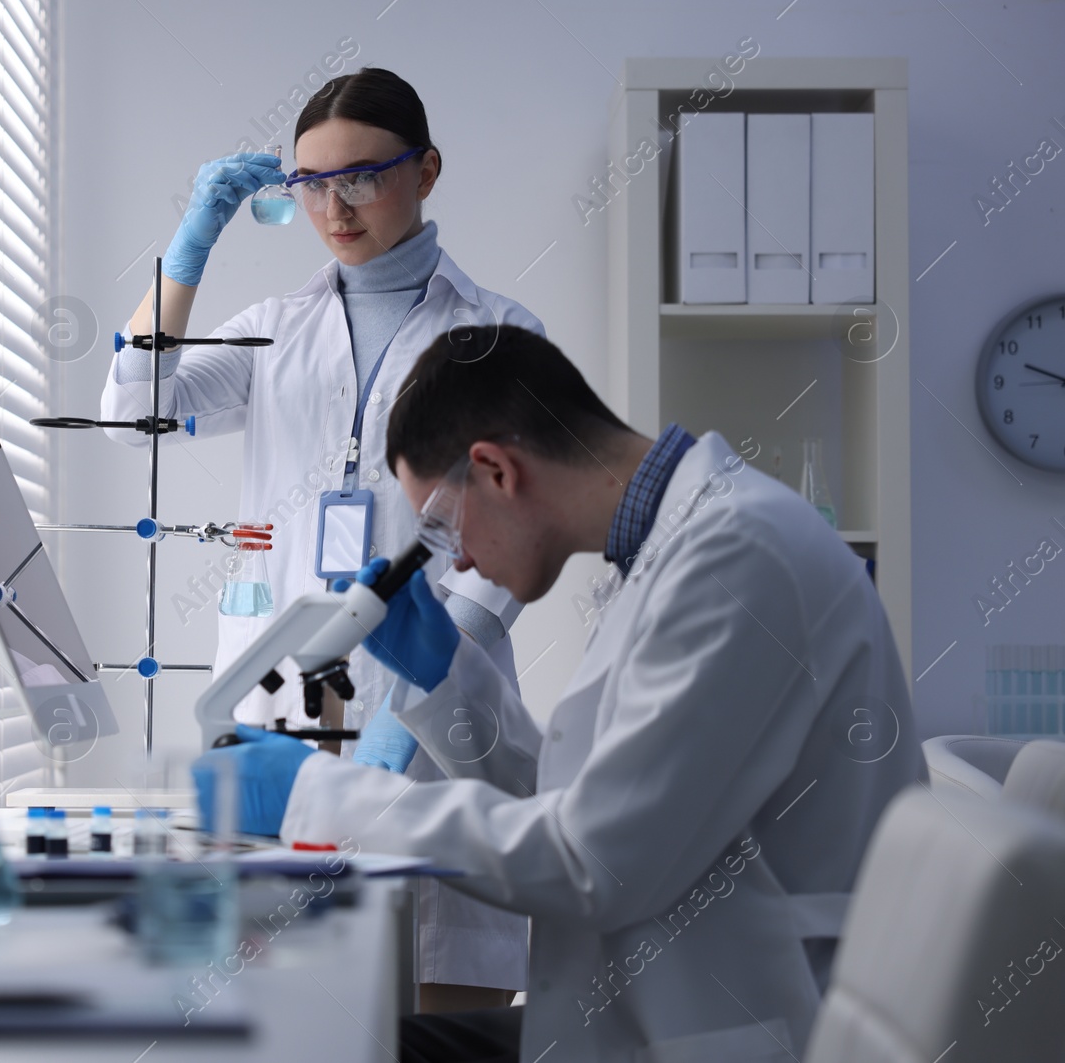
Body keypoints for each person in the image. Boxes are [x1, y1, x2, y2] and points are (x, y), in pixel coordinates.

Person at [192, 325, 927, 1062]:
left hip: (724, 1029)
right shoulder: (674, 548)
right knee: (330, 1041)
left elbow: (593, 862)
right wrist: (449, 680)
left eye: (442, 527)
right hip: (641, 1004)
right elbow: (585, 801)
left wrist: (313, 793)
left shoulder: (737, 558)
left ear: (497, 469)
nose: (461, 559)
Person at [102, 68, 542, 1011]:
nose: (333, 208)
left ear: (426, 171)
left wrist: (412, 712)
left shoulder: (500, 333)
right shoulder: (275, 330)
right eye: (308, 185)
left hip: (436, 722)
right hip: (280, 716)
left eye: (360, 178)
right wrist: (192, 246)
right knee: (283, 1010)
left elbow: (507, 545)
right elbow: (131, 406)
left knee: (440, 1008)